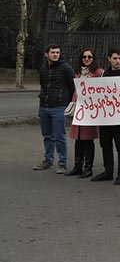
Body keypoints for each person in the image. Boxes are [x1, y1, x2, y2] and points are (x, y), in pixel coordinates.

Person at [91, 47, 120, 185]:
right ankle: (108, 171)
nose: (117, 61)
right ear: (109, 59)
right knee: (105, 143)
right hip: (105, 116)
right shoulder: (105, 74)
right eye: (115, 58)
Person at [35, 44, 75, 173]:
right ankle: (48, 160)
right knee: (47, 136)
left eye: (57, 52)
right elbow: (43, 85)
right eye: (53, 52)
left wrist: (66, 102)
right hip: (44, 106)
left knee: (59, 136)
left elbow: (72, 86)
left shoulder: (66, 68)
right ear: (46, 54)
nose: (55, 55)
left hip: (59, 107)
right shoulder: (43, 69)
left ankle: (62, 163)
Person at [65, 49, 104, 178]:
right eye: (84, 57)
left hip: (90, 110)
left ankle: (88, 168)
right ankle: (77, 166)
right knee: (78, 138)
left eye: (89, 57)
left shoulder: (98, 72)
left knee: (88, 139)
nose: (87, 59)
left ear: (93, 58)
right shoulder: (77, 73)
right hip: (78, 109)